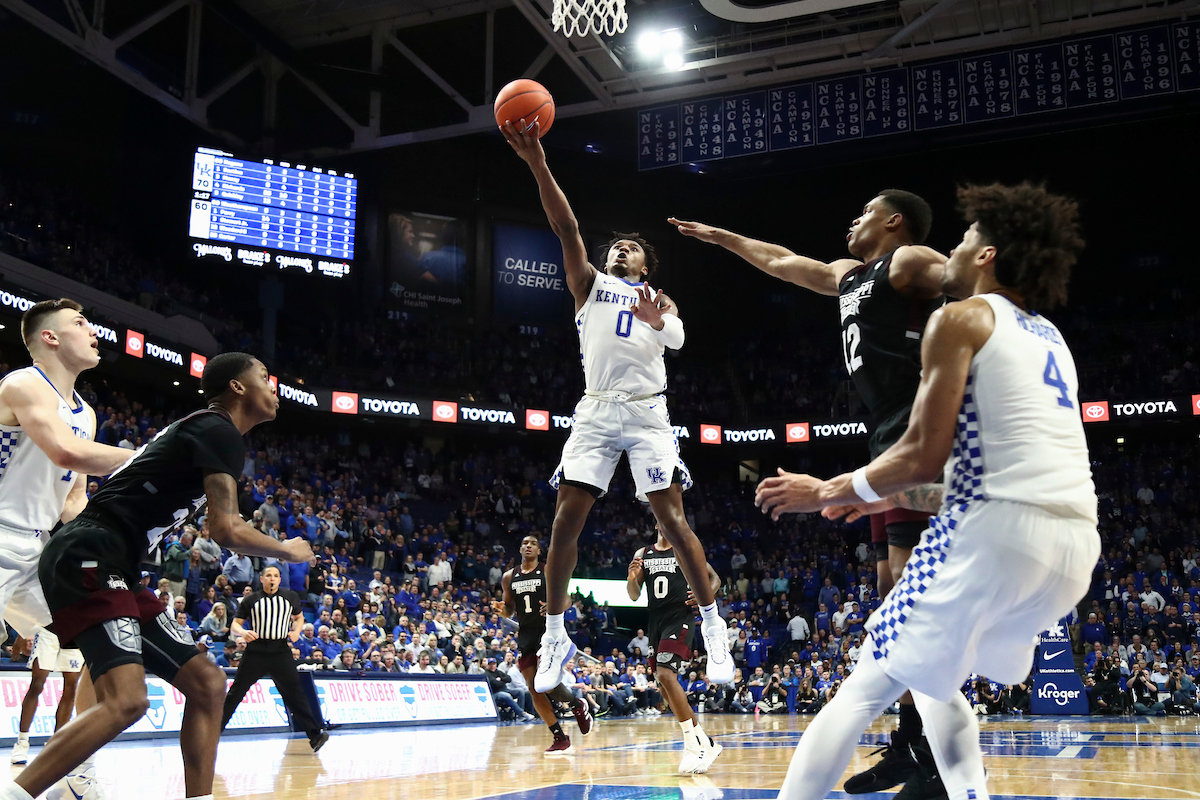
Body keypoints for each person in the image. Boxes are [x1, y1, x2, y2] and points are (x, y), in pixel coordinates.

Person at [755, 183, 1098, 800]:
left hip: (996, 537)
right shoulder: (1054, 341)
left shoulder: (959, 317)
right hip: (1072, 551)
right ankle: (953, 783)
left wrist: (829, 489)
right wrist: (872, 495)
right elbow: (990, 481)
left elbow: (923, 456)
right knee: (932, 674)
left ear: (988, 255)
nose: (955, 247)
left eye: (966, 238)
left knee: (866, 679)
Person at [671, 192, 946, 798]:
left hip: (919, 425)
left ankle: (933, 758)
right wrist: (722, 238)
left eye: (865, 210)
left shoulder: (909, 261)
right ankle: (910, 739)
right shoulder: (850, 275)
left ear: (893, 221)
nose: (853, 218)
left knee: (908, 606)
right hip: (885, 430)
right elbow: (779, 260)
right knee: (886, 603)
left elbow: (970, 283)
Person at [11, 353, 313, 800]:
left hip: (115, 561)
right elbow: (224, 528)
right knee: (127, 700)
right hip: (90, 552)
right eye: (266, 377)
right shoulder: (219, 429)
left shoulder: (208, 429)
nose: (275, 387)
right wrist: (285, 549)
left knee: (208, 684)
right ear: (237, 387)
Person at [502, 116, 733, 693]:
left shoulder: (657, 299)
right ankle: (555, 634)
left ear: (645, 266)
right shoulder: (590, 285)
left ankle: (712, 627)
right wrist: (536, 161)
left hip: (650, 410)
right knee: (565, 522)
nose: (620, 249)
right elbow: (565, 225)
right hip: (597, 409)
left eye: (630, 248)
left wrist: (664, 320)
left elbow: (678, 340)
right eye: (617, 246)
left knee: (673, 523)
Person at [0, 299, 138, 795]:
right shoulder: (22, 383)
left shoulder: (87, 415)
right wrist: (154, 458)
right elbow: (64, 450)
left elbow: (73, 502)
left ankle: (77, 777)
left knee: (98, 645)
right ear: (50, 338)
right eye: (81, 322)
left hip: (37, 549)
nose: (93, 329)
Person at [628, 526, 722, 775]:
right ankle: (706, 742)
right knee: (662, 684)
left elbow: (714, 579)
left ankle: (692, 745)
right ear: (656, 523)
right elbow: (634, 595)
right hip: (654, 622)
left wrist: (704, 595)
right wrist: (631, 577)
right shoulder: (643, 553)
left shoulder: (684, 547)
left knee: (666, 675)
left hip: (679, 617)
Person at [496, 534, 593, 755]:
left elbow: (566, 598)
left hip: (548, 631)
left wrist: (554, 604)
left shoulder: (548, 569)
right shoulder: (509, 576)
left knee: (545, 683)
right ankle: (560, 736)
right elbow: (509, 608)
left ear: (539, 551)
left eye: (532, 543)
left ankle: (576, 705)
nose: (528, 546)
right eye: (524, 543)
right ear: (520, 549)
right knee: (534, 688)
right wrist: (500, 610)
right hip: (526, 634)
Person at [220, 565, 327, 750]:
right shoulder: (251, 599)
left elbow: (299, 618)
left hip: (280, 650)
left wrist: (297, 631)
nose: (272, 579)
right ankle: (213, 732)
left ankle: (315, 735)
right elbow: (235, 624)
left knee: (295, 694)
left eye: (276, 576)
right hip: (256, 650)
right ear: (261, 579)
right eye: (268, 575)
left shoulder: (290, 597)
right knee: (236, 692)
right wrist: (243, 633)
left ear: (279, 579)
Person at [9, 633, 86, 766]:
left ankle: (57, 745)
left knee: (71, 687)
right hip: (48, 630)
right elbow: (32, 611)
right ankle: (22, 741)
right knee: (37, 684)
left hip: (74, 632)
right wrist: (22, 634)